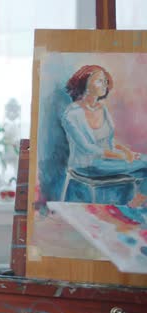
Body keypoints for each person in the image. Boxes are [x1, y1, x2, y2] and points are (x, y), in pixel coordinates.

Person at [62, 65, 147, 207]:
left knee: (144, 160)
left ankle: (134, 204)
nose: (104, 85)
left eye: (105, 81)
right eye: (99, 81)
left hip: (106, 161)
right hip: (86, 165)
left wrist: (126, 151)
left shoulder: (102, 109)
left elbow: (107, 141)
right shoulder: (72, 114)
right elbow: (88, 148)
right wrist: (120, 156)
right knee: (144, 166)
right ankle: (134, 206)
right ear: (86, 84)